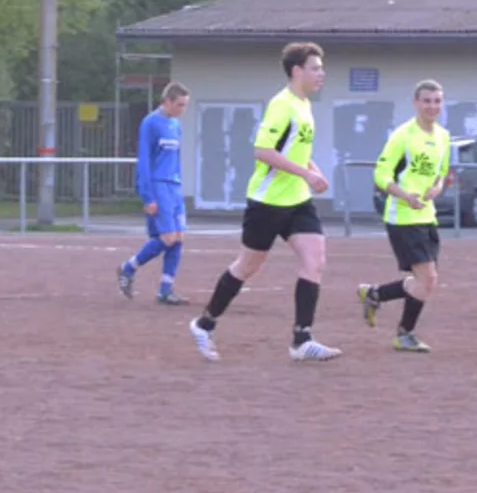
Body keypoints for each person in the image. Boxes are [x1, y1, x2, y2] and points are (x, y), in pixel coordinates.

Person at [188, 42, 339, 362]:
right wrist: (305, 173)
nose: (321, 73)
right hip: (268, 202)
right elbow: (263, 151)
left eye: (321, 68)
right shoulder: (281, 105)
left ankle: (302, 339)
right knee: (248, 266)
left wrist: (313, 170)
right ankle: (205, 323)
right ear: (297, 71)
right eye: (315, 67)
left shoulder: (304, 104)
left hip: (297, 200)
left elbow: (295, 148)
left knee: (316, 259)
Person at [357, 79, 450, 352]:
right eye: (427, 101)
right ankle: (404, 333)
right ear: (416, 103)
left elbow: (442, 173)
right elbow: (381, 175)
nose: (432, 106)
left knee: (424, 281)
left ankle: (375, 294)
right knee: (429, 279)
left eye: (437, 101)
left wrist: (436, 187)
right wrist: (404, 195)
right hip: (402, 218)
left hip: (427, 217)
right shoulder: (403, 135)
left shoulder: (443, 137)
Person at [118, 82, 191, 304]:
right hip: (159, 185)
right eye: (179, 105)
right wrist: (147, 195)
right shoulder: (151, 123)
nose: (182, 110)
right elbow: (145, 160)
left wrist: (179, 184)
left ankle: (166, 289)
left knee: (178, 237)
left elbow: (174, 159)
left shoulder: (176, 125)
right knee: (167, 237)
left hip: (174, 186)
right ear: (167, 101)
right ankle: (128, 268)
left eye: (185, 105)